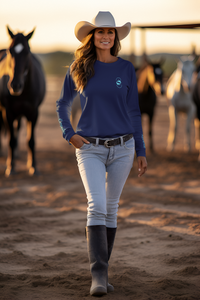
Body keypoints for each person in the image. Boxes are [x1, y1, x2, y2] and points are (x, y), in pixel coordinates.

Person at [56, 11, 147, 297]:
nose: (106, 36)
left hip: (123, 148)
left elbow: (133, 111)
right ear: (92, 37)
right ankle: (98, 277)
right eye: (100, 32)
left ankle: (103, 273)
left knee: (111, 208)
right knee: (96, 205)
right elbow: (62, 105)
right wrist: (70, 134)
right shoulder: (79, 68)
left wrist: (140, 150)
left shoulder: (126, 69)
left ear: (115, 37)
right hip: (90, 148)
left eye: (111, 32)